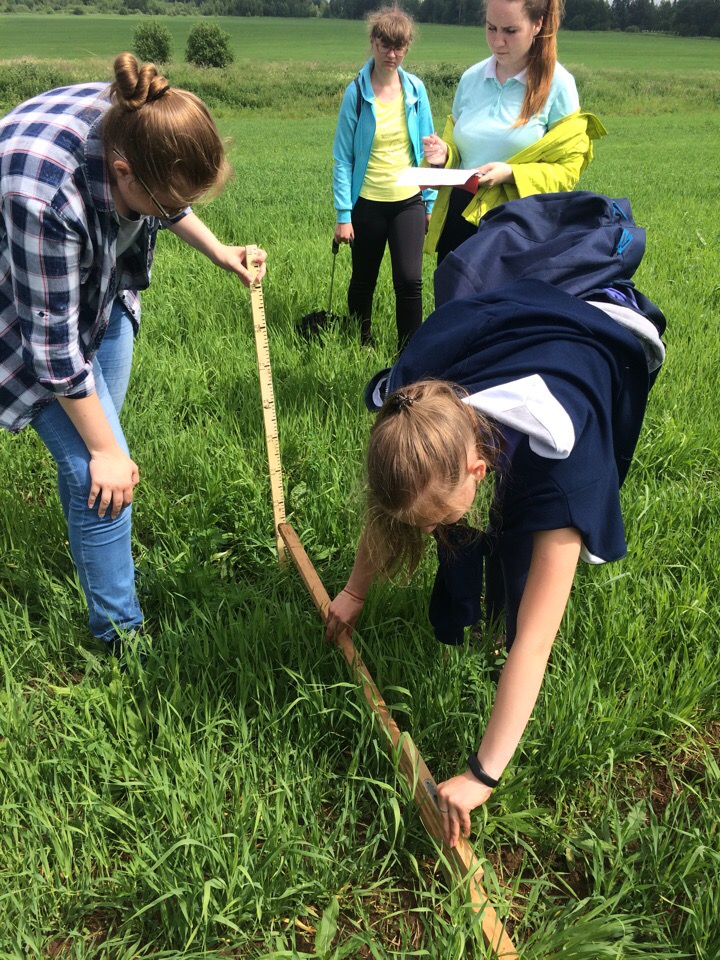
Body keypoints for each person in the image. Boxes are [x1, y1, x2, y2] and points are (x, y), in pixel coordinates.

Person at [325, 200, 666, 848]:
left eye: (434, 522)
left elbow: (535, 643)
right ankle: (464, 608)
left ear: (481, 468)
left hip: (583, 339)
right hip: (508, 330)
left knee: (524, 568)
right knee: (455, 527)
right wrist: (355, 590)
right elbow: (397, 505)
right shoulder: (418, 408)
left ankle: (490, 616)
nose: (424, 536)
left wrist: (481, 775)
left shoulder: (565, 471)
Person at [0, 53, 267, 653]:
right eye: (165, 201)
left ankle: (103, 562)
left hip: (101, 282)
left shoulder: (139, 114)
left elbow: (168, 196)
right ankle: (121, 636)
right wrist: (100, 449)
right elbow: (51, 347)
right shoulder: (44, 194)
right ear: (122, 173)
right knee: (103, 470)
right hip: (23, 306)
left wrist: (217, 249)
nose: (175, 209)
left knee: (101, 464)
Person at [422, 0, 605, 263]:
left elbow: (567, 171)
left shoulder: (559, 85)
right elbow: (457, 151)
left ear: (537, 24)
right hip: (458, 218)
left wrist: (510, 173)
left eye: (510, 31)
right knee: (452, 301)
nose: (497, 42)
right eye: (490, 28)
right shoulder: (471, 79)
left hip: (517, 226)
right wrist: (443, 154)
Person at [332, 5, 436, 353]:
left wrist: (430, 202)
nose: (392, 55)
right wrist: (344, 215)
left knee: (410, 281)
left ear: (407, 47)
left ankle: (410, 353)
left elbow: (428, 153)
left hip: (408, 201)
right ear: (373, 42)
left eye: (399, 47)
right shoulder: (356, 94)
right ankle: (360, 345)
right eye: (385, 45)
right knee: (363, 280)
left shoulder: (416, 92)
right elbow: (342, 158)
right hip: (367, 204)